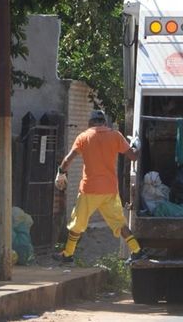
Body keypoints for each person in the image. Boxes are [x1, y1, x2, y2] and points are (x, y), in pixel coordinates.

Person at [52, 110, 145, 263]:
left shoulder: (84, 137)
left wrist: (61, 173)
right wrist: (136, 145)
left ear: (90, 123)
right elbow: (133, 156)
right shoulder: (115, 136)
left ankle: (68, 254)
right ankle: (137, 251)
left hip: (89, 190)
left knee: (77, 223)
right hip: (110, 190)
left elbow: (68, 160)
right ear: (104, 122)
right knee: (119, 223)